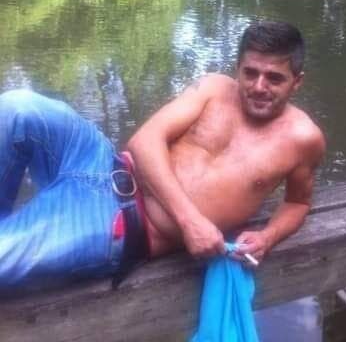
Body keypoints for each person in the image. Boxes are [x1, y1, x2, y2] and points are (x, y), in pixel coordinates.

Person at [0, 21, 325, 289]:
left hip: (121, 224)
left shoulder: (304, 139)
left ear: (296, 82)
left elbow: (298, 203)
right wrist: (191, 222)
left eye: (274, 78)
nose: (258, 86)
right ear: (238, 68)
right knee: (17, 108)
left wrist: (267, 237)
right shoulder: (213, 87)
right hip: (99, 160)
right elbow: (144, 141)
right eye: (250, 73)